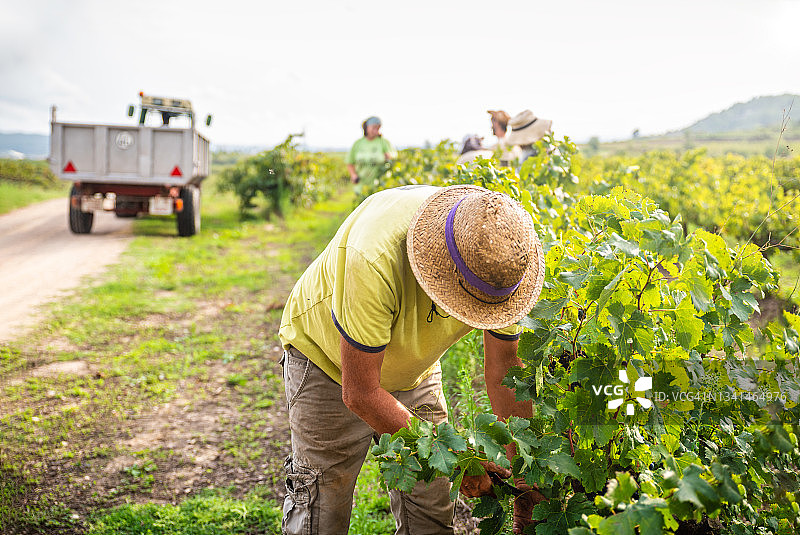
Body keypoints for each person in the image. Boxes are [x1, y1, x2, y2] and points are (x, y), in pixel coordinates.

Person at [278, 184, 547, 534]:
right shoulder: (373, 258)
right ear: (442, 272)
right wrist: (456, 458)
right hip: (328, 362)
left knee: (431, 508)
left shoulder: (502, 258)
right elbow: (360, 392)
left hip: (413, 372)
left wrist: (525, 476)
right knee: (322, 509)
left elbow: (504, 368)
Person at [345, 116, 397, 186]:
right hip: (361, 182)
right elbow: (349, 162)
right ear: (366, 128)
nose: (376, 131)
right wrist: (353, 175)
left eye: (377, 128)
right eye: (373, 128)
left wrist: (389, 156)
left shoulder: (383, 142)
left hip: (379, 183)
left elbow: (394, 156)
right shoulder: (358, 143)